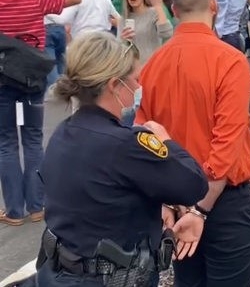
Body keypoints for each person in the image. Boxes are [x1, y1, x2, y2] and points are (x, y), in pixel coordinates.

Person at [37, 32, 209, 286]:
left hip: (60, 271)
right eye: (134, 80)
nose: (139, 87)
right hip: (110, 278)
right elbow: (194, 185)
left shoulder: (64, 133)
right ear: (114, 85)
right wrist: (167, 142)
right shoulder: (126, 145)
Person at [135, 0, 250, 287]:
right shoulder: (230, 61)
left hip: (177, 199)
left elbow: (143, 137)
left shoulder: (153, 66)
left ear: (174, 10)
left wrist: (166, 201)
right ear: (214, 5)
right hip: (221, 204)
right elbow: (226, 146)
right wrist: (200, 210)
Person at [0, 0, 83, 226]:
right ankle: (37, 206)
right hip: (30, 79)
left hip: (1, 80)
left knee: (6, 143)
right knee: (33, 140)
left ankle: (14, 210)